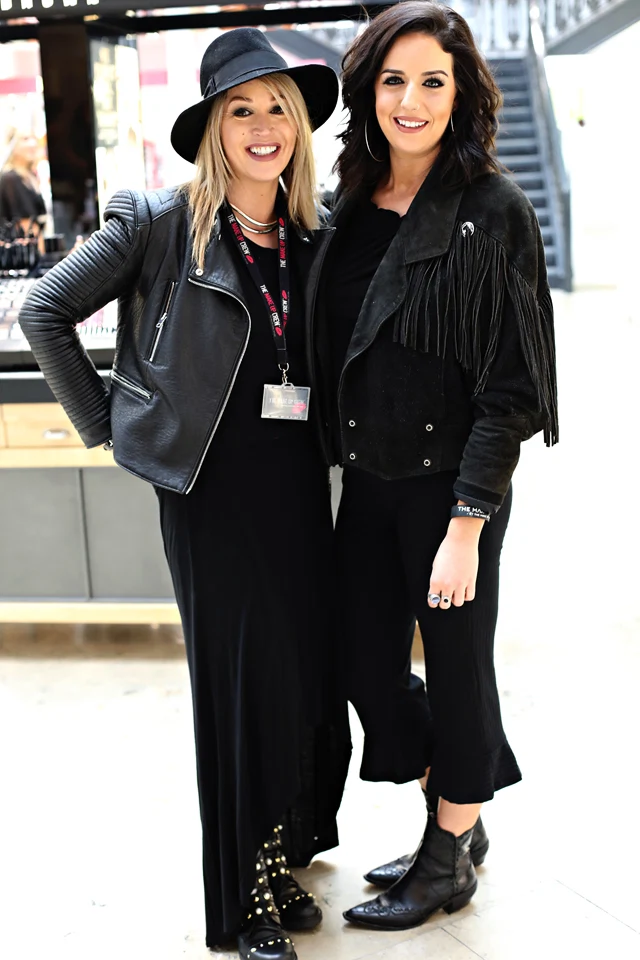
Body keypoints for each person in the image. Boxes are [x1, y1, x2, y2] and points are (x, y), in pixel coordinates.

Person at [19, 28, 351, 960]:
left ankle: (278, 860)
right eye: (241, 109)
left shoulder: (310, 232)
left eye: (278, 108)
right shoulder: (159, 221)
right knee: (241, 692)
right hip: (212, 496)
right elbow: (45, 310)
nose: (263, 125)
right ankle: (239, 904)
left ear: (299, 127)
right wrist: (111, 426)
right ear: (211, 127)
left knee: (298, 685)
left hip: (297, 487)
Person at [311, 1, 558, 929]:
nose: (410, 101)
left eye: (432, 81)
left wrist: (467, 525)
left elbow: (515, 387)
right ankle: (460, 805)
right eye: (393, 80)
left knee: (456, 670)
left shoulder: (493, 207)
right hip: (367, 481)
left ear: (461, 95)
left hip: (452, 490)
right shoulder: (348, 200)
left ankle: (448, 853)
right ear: (368, 90)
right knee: (366, 667)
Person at [0, 130, 47, 236]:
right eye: (25, 139)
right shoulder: (11, 178)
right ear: (13, 146)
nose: (32, 144)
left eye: (34, 138)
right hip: (22, 244)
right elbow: (26, 226)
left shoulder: (30, 176)